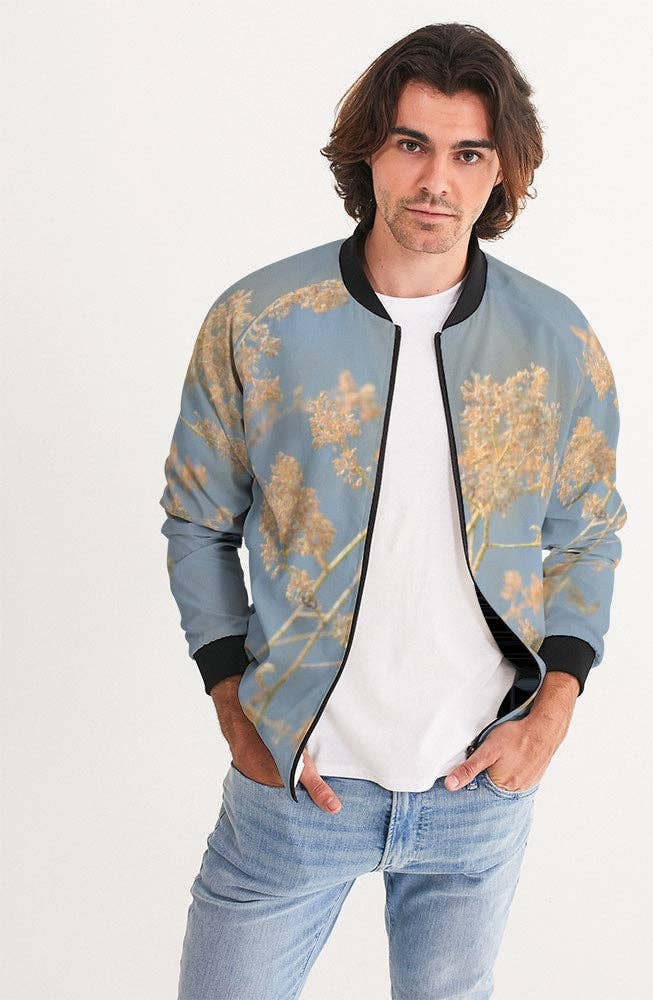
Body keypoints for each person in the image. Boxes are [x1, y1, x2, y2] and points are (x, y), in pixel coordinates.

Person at [159, 21, 627, 1000]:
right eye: (411, 143)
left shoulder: (553, 338)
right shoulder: (260, 321)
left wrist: (550, 713)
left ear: (501, 171)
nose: (435, 181)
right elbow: (198, 523)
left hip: (477, 789)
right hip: (299, 783)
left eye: (469, 153)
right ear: (369, 149)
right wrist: (236, 707)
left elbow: (586, 534)